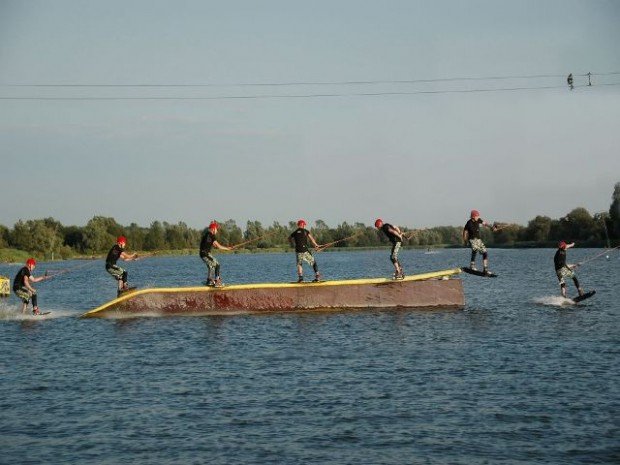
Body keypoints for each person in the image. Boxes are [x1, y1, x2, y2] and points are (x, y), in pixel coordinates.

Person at [463, 210, 496, 275]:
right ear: (473, 217)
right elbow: (465, 232)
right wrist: (465, 241)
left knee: (485, 252)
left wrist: (492, 228)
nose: (478, 217)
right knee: (475, 249)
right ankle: (472, 266)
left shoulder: (479, 220)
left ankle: (485, 269)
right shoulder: (469, 223)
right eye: (477, 216)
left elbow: (485, 223)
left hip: (478, 240)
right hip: (472, 239)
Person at [199, 221, 231, 287]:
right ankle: (211, 281)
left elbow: (215, 245)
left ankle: (215, 280)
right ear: (213, 229)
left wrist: (227, 248)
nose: (217, 231)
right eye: (216, 229)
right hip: (205, 254)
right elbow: (218, 246)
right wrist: (227, 249)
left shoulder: (207, 234)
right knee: (212, 265)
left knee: (217, 265)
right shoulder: (211, 235)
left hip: (205, 254)